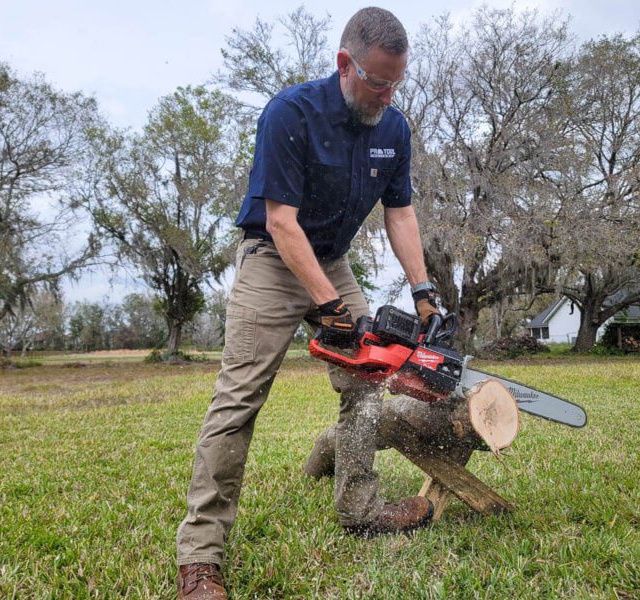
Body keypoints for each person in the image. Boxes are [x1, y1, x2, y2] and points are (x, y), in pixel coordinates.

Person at [176, 7, 441, 599]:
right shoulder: (290, 113)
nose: (387, 94)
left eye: (397, 82)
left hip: (333, 260)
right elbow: (280, 221)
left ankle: (359, 508)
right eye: (377, 82)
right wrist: (329, 308)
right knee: (240, 396)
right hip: (273, 257)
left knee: (365, 384)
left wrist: (422, 292)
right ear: (345, 64)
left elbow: (399, 212)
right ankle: (200, 557)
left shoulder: (393, 130)